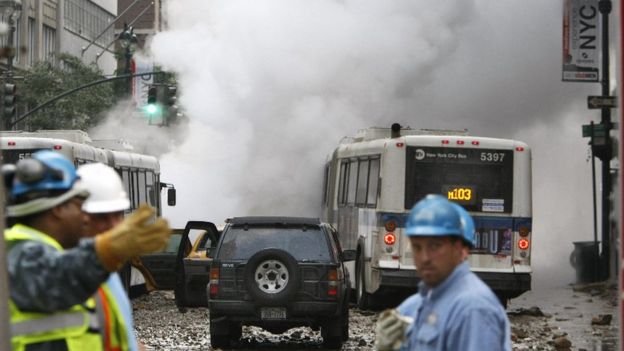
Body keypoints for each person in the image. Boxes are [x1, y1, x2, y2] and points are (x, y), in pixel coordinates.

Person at [4, 150, 171, 351]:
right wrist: (105, 251)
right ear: (58, 208)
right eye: (78, 205)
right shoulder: (16, 252)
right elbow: (56, 278)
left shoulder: (81, 265)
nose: (84, 217)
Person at [375, 194, 510, 351]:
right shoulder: (413, 307)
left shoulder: (474, 309)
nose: (424, 258)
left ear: (459, 248)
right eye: (417, 247)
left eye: (435, 246)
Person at [77, 162, 146, 351]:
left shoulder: (107, 269)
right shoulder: (62, 269)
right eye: (101, 217)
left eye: (118, 215)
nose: (113, 226)